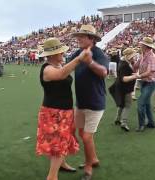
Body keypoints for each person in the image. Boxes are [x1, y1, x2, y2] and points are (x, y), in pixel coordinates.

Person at [36, 37, 92, 180]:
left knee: (62, 141)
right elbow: (61, 75)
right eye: (61, 53)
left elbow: (64, 72)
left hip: (63, 111)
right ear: (53, 55)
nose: (63, 54)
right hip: (54, 113)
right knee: (58, 144)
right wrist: (79, 59)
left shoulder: (58, 66)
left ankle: (62, 164)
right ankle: (52, 177)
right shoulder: (48, 69)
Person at [70, 24, 109, 180]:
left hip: (95, 102)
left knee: (86, 137)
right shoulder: (78, 52)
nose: (78, 38)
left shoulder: (99, 54)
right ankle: (93, 159)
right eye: (78, 36)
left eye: (82, 36)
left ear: (91, 39)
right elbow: (68, 65)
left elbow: (104, 72)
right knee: (82, 133)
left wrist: (90, 62)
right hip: (81, 102)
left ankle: (88, 167)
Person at [109, 48, 138, 132]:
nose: (134, 58)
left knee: (122, 104)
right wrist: (135, 76)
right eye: (132, 56)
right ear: (128, 56)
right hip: (125, 88)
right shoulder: (124, 65)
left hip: (120, 87)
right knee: (127, 105)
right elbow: (124, 79)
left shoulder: (123, 62)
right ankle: (124, 123)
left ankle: (117, 119)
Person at [134, 37, 155, 132]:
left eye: (141, 44)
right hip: (144, 81)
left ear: (146, 46)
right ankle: (151, 123)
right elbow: (136, 65)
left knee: (140, 103)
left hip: (151, 82)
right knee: (146, 103)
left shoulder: (152, 57)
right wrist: (128, 60)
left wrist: (136, 76)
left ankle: (141, 125)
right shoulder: (142, 54)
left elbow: (149, 72)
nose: (140, 45)